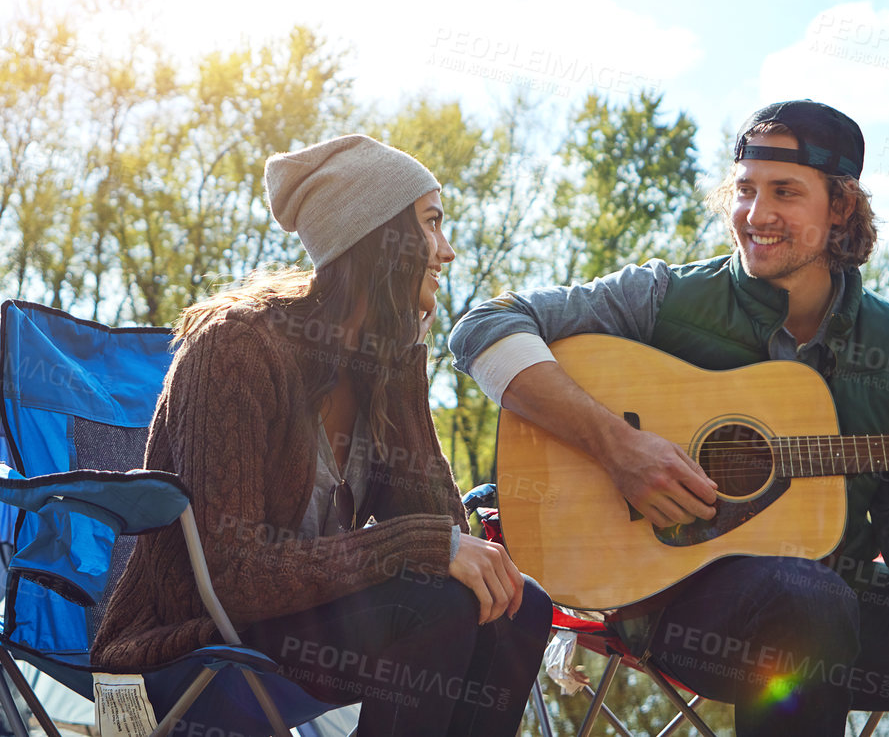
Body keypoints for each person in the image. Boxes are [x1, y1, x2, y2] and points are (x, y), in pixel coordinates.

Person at [449, 100, 889, 736]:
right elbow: (482, 327)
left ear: (841, 205)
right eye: (744, 189)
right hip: (681, 612)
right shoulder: (664, 299)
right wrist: (619, 447)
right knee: (808, 600)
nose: (755, 214)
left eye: (785, 192)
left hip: (846, 615)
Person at [92, 133, 553, 736]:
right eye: (432, 225)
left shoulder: (379, 368)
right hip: (196, 637)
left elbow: (448, 539)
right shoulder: (238, 349)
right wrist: (415, 546)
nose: (447, 252)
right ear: (377, 240)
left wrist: (404, 364)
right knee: (433, 602)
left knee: (519, 606)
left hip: (303, 627)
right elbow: (233, 580)